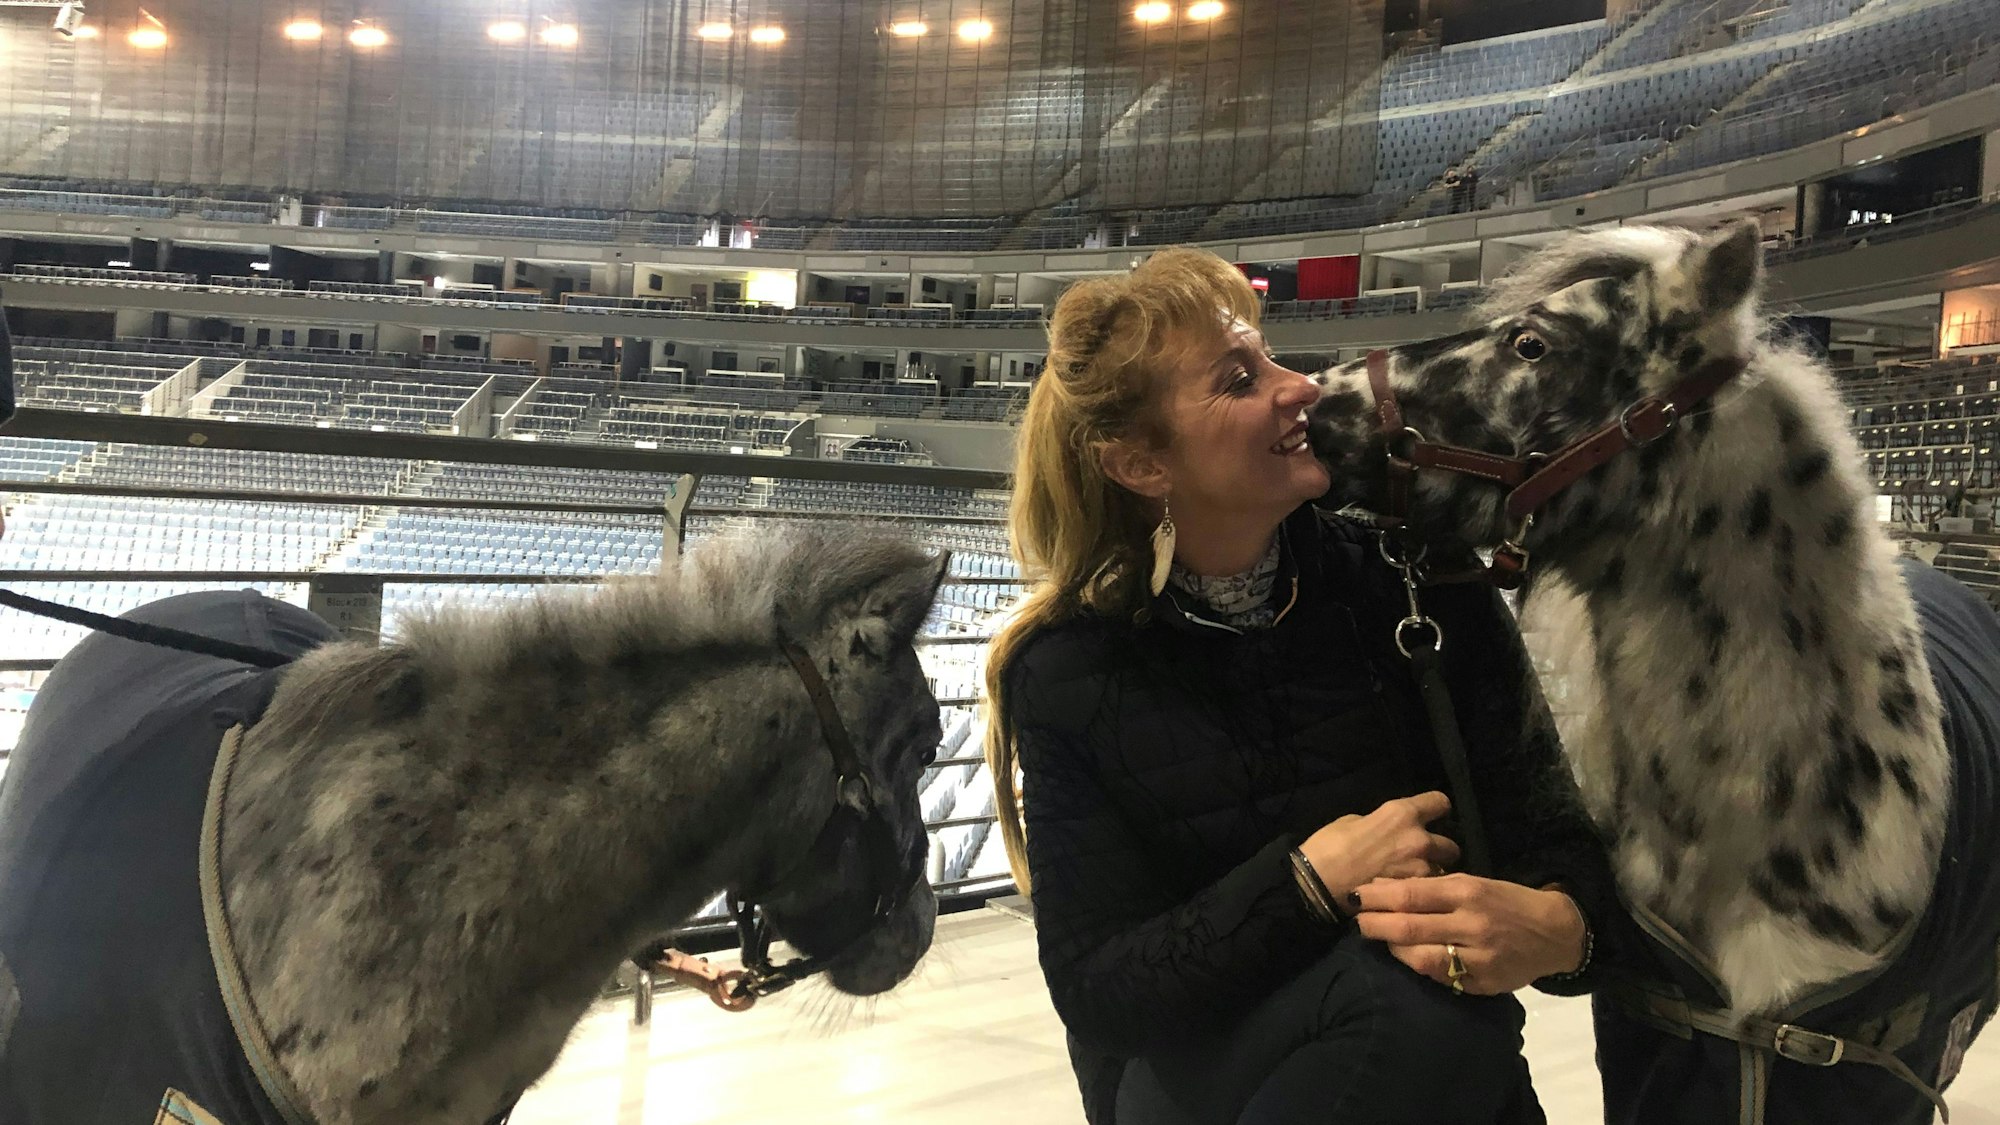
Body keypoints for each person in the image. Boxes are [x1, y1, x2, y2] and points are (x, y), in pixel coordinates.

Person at [982, 247, 1623, 1125]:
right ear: (1141, 465)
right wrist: (1308, 883)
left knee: (1427, 1018)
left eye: (1273, 356)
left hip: (1435, 1076)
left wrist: (1559, 926)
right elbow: (1100, 990)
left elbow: (1552, 830)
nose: (1303, 387)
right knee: (1398, 1002)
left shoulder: (1414, 581)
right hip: (1202, 1084)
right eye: (1241, 379)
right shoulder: (1069, 672)